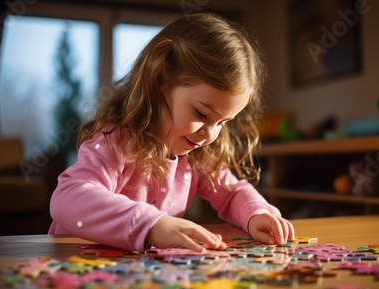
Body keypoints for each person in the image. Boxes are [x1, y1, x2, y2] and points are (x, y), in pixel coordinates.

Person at [48, 13, 295, 253]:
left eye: (223, 122)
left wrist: (257, 213)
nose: (210, 135)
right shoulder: (115, 142)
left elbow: (231, 193)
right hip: (73, 264)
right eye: (201, 114)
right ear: (159, 78)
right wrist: (150, 225)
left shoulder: (200, 155)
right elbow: (67, 199)